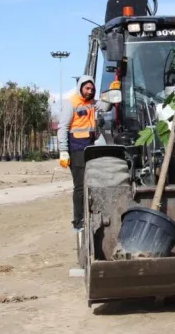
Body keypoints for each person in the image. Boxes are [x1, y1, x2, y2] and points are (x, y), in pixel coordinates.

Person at [57, 75, 115, 232]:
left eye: (92, 89)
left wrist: (113, 91)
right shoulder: (71, 103)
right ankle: (78, 221)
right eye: (87, 88)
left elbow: (107, 107)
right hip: (75, 149)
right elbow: (62, 128)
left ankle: (88, 215)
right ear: (80, 87)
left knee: (90, 184)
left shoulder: (92, 103)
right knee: (80, 187)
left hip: (89, 148)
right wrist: (63, 151)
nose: (89, 91)